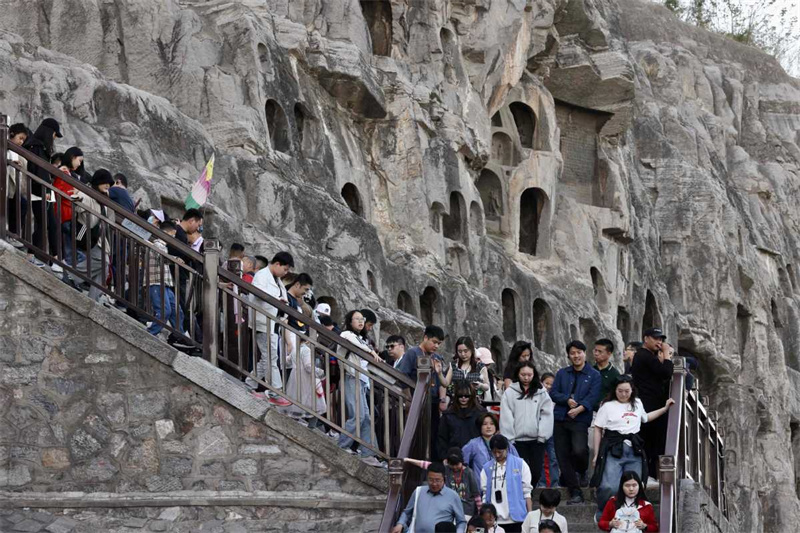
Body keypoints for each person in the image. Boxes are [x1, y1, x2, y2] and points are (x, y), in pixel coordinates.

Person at [591, 376, 674, 518]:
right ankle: (602, 512)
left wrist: (665, 409)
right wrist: (596, 454)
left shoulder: (637, 403)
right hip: (613, 448)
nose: (623, 394)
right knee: (609, 486)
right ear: (615, 390)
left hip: (634, 450)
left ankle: (626, 516)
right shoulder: (607, 406)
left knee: (634, 487)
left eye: (627, 391)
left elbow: (645, 418)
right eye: (620, 391)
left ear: (632, 390)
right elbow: (598, 428)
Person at [549, 340, 601, 505]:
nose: (576, 356)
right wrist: (567, 400)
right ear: (569, 355)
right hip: (560, 418)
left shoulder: (594, 375)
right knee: (562, 455)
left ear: (585, 353)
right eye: (573, 353)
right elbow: (554, 393)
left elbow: (593, 397)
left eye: (579, 352)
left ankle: (582, 470)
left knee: (579, 451)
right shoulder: (562, 373)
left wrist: (579, 408)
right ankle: (575, 491)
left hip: (580, 419)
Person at [336, 309, 383, 466]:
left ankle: (368, 453)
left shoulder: (362, 338)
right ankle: (342, 445)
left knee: (366, 418)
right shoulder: (347, 335)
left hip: (361, 381)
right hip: (351, 378)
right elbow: (350, 341)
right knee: (358, 416)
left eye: (362, 319)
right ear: (350, 322)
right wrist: (371, 351)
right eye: (357, 319)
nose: (361, 321)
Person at [249, 251, 295, 406]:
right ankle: (275, 391)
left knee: (266, 357)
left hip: (272, 323)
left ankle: (250, 382)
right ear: (277, 264)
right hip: (263, 322)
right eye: (285, 269)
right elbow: (258, 293)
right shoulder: (262, 276)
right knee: (270, 357)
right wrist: (277, 300)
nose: (285, 273)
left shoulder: (276, 279)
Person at [500, 360, 554, 487]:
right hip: (517, 440)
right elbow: (506, 416)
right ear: (518, 374)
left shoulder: (541, 392)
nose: (526, 378)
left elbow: (547, 414)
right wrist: (509, 437)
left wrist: (543, 435)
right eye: (523, 374)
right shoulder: (510, 392)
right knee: (518, 471)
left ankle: (529, 491)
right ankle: (523, 495)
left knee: (536, 471)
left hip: (536, 439)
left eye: (529, 375)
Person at [629, 327, 673, 480]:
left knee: (655, 441)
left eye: (661, 339)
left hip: (652, 403)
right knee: (651, 441)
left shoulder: (647, 356)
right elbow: (666, 373)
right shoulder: (643, 355)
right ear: (646, 338)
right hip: (649, 404)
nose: (659, 342)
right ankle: (648, 474)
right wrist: (667, 354)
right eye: (656, 338)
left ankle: (650, 474)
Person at [397, 325, 446, 459]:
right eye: (434, 342)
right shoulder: (412, 353)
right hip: (417, 400)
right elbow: (403, 377)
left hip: (434, 401)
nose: (436, 346)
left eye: (439, 344)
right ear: (425, 337)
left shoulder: (437, 357)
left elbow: (442, 381)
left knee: (434, 435)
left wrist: (442, 399)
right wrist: (408, 399)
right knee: (417, 436)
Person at [71, 169, 115, 302]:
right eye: (104, 182)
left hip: (99, 237)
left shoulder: (104, 200)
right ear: (97, 182)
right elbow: (78, 203)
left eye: (109, 184)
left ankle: (94, 298)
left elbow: (110, 219)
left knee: (105, 268)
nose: (107, 185)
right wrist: (77, 197)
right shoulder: (88, 194)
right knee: (103, 261)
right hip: (86, 233)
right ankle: (71, 275)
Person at [24, 118, 61, 266]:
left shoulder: (39, 147)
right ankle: (32, 254)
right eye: (54, 134)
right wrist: (43, 190)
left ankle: (56, 258)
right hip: (39, 192)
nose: (54, 138)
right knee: (44, 223)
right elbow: (38, 171)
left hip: (43, 192)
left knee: (48, 224)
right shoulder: (36, 147)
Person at [403, 448, 482, 518]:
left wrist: (480, 512)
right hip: (448, 509)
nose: (454, 467)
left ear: (462, 461)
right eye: (452, 464)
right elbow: (427, 465)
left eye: (457, 464)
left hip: (466, 510)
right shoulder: (446, 469)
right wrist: (408, 460)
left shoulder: (469, 473)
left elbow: (476, 495)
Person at [392, 462, 467, 533]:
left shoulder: (453, 496)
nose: (434, 484)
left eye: (437, 480)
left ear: (444, 479)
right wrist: (400, 524)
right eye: (430, 480)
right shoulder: (419, 491)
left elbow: (461, 521)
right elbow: (407, 512)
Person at [480, 434, 533, 532]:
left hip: (517, 518)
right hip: (495, 521)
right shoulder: (486, 468)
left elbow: (527, 492)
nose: (497, 455)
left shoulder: (520, 464)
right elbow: (484, 494)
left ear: (507, 448)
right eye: (494, 452)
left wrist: (530, 516)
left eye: (500, 452)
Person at [145, 220, 184, 340]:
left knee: (177, 311)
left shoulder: (162, 246)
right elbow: (162, 257)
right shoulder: (157, 244)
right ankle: (150, 334)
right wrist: (175, 259)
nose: (173, 237)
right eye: (173, 234)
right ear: (167, 232)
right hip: (156, 282)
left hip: (165, 283)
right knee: (164, 311)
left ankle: (179, 336)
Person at [439, 381, 486, 453]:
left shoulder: (481, 413)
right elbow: (442, 438)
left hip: (476, 454)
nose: (463, 398)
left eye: (467, 395)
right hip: (454, 455)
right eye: (460, 395)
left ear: (472, 396)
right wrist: (444, 456)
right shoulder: (448, 415)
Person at [6, 123, 29, 244]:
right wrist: (9, 162)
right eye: (20, 138)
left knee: (21, 204)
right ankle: (11, 235)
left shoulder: (14, 150)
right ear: (12, 134)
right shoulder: (4, 144)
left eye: (23, 140)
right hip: (5, 186)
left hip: (11, 187)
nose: (21, 142)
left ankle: (13, 235)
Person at [537, 373, 559, 489]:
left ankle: (555, 483)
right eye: (547, 383)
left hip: (553, 430)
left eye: (552, 384)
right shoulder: (537, 396)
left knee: (553, 458)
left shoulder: (556, 397)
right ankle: (541, 483)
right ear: (541, 383)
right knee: (540, 458)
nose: (549, 386)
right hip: (539, 430)